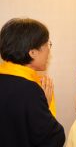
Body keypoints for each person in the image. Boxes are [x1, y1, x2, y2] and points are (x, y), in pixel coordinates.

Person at [0, 18, 65, 147]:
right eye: (47, 44)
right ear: (33, 52)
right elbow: (54, 139)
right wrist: (45, 106)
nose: (49, 50)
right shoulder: (30, 90)